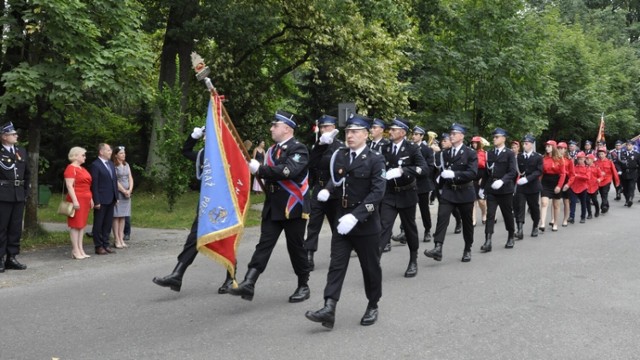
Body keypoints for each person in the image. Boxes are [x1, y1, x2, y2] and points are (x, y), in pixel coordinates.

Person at [305, 114, 385, 329]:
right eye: (348, 131)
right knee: (336, 265)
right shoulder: (340, 154)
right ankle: (329, 307)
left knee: (370, 268)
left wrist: (356, 216)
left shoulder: (375, 159)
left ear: (366, 134)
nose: (350, 135)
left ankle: (373, 304)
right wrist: (327, 189)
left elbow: (377, 193)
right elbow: (331, 174)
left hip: (365, 224)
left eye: (355, 131)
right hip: (342, 222)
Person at [229, 110, 312, 302]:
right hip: (273, 205)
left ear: (287, 128)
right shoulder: (273, 150)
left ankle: (303, 285)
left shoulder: (299, 149)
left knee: (296, 248)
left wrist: (261, 169)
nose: (271, 128)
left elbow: (287, 170)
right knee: (264, 245)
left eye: (275, 125)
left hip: (292, 207)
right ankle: (249, 283)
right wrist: (255, 169)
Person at [153, 126, 235, 293]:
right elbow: (185, 151)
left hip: (223, 203)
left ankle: (231, 278)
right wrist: (193, 136)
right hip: (206, 203)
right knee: (194, 238)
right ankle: (177, 275)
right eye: (204, 136)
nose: (205, 138)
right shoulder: (203, 154)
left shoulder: (225, 153)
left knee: (226, 240)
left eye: (207, 135)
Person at [379, 117, 427, 277]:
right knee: (384, 226)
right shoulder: (384, 147)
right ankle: (375, 262)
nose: (390, 132)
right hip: (389, 193)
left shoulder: (412, 148)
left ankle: (413, 259)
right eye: (390, 129)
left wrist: (403, 171)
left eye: (393, 130)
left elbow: (423, 168)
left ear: (402, 132)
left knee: (409, 228)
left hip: (407, 193)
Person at [424, 123, 478, 263]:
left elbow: (472, 173)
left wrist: (455, 174)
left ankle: (467, 248)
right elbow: (442, 172)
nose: (451, 136)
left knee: (467, 223)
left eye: (454, 134)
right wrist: (439, 187)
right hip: (449, 191)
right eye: (451, 134)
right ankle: (438, 248)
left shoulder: (470, 153)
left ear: (462, 136)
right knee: (442, 217)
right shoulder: (445, 153)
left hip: (465, 191)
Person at [305, 115, 343, 270]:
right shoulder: (318, 145)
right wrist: (320, 146)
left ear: (334, 128)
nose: (322, 130)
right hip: (318, 190)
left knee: (336, 225)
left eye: (326, 127)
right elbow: (311, 165)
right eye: (321, 127)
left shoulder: (340, 147)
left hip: (333, 192)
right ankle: (309, 254)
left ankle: (338, 254)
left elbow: (339, 171)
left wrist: (328, 189)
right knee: (313, 224)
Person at [480, 128, 517, 252]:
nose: (494, 139)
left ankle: (511, 235)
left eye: (497, 137)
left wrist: (502, 181)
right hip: (492, 188)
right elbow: (487, 172)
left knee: (507, 214)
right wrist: (482, 188)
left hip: (505, 189)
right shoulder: (489, 153)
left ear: (503, 139)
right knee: (490, 215)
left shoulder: (509, 153)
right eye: (494, 137)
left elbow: (512, 172)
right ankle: (488, 241)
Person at [0, 121, 30, 271]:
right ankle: (0, 258)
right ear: (4, 137)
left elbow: (27, 173)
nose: (16, 136)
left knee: (15, 228)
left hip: (18, 195)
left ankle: (11, 257)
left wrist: (25, 193)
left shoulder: (21, 151)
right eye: (12, 134)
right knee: (1, 227)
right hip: (3, 195)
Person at [64, 147, 93, 259]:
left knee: (82, 225)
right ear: (75, 155)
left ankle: (80, 249)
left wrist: (91, 199)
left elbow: (88, 185)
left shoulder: (83, 169)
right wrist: (75, 200)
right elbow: (69, 186)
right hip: (77, 198)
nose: (84, 157)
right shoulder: (71, 168)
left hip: (85, 198)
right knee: (75, 225)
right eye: (83, 155)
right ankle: (75, 250)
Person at [90, 143, 118, 255]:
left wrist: (116, 196)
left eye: (110, 150)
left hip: (111, 198)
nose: (110, 152)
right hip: (101, 199)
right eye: (108, 150)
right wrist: (96, 200)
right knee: (99, 223)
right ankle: (98, 245)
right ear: (101, 152)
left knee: (108, 223)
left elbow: (114, 181)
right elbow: (94, 184)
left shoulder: (111, 164)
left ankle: (106, 243)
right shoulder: (95, 165)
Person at [514, 134, 543, 239]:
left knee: (534, 207)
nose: (524, 146)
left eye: (526, 144)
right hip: (522, 187)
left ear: (531, 145)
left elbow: (539, 171)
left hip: (533, 186)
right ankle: (520, 230)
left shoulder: (538, 157)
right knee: (519, 207)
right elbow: (517, 171)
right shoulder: (520, 156)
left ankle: (535, 225)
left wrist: (527, 179)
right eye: (524, 144)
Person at [433, 133, 463, 233]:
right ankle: (439, 230)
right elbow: (437, 166)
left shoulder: (454, 153)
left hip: (451, 183)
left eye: (445, 141)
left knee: (454, 207)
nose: (442, 142)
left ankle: (459, 221)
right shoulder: (440, 154)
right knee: (441, 209)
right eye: (442, 141)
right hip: (440, 183)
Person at [412, 126, 435, 242]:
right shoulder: (409, 148)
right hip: (409, 184)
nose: (414, 136)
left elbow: (430, 167)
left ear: (421, 136)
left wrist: (419, 172)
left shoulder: (427, 150)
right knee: (408, 209)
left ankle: (427, 230)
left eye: (417, 134)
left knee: (424, 209)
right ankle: (404, 231)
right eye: (413, 134)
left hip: (422, 184)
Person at [539, 140, 565, 232]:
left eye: (549, 146)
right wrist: (539, 183)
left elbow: (563, 174)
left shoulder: (560, 158)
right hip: (545, 181)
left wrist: (559, 186)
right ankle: (542, 223)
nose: (547, 148)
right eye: (546, 146)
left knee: (556, 205)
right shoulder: (543, 158)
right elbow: (541, 173)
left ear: (553, 147)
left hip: (556, 181)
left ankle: (555, 223)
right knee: (544, 203)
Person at [110, 146, 133, 249]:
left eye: (124, 153)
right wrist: (123, 190)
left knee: (123, 216)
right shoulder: (113, 165)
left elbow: (130, 178)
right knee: (116, 216)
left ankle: (121, 238)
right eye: (121, 153)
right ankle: (116, 239)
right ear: (116, 155)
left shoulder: (126, 164)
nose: (124, 155)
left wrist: (130, 190)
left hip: (127, 194)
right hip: (118, 192)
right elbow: (115, 180)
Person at [595, 146, 619, 214]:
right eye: (599, 154)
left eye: (602, 154)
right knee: (602, 194)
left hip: (607, 180)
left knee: (605, 193)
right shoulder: (596, 162)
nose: (601, 155)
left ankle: (604, 206)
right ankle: (606, 206)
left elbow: (614, 171)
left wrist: (617, 181)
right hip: (599, 181)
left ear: (605, 154)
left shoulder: (609, 162)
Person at [470, 136, 487, 226]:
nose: (474, 144)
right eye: (473, 143)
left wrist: (483, 178)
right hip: (472, 178)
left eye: (476, 143)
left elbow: (487, 168)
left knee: (481, 201)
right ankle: (473, 219)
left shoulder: (484, 153)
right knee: (473, 200)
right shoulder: (470, 153)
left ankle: (484, 214)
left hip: (482, 178)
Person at [568, 152, 589, 223]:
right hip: (574, 187)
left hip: (583, 187)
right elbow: (571, 175)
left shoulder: (587, 168)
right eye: (578, 159)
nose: (580, 160)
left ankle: (583, 217)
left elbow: (587, 177)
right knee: (572, 202)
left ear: (584, 159)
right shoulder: (574, 167)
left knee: (583, 203)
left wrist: (577, 175)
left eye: (581, 159)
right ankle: (571, 217)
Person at [557, 142, 574, 226]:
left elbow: (572, 174)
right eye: (559, 148)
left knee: (566, 201)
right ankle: (554, 219)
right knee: (555, 200)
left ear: (565, 149)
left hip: (566, 180)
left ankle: (565, 219)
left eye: (562, 148)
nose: (560, 150)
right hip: (557, 180)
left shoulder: (569, 160)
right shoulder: (555, 158)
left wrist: (568, 184)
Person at [619, 140, 640, 207]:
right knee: (625, 188)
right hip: (624, 173)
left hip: (633, 173)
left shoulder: (636, 154)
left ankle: (630, 199)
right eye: (627, 145)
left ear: (633, 146)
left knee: (631, 187)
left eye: (629, 145)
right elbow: (618, 163)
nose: (628, 146)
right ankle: (627, 200)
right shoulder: (622, 154)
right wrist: (619, 170)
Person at [585, 154, 601, 218]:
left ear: (592, 160)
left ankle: (597, 210)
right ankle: (589, 213)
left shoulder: (596, 167)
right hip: (586, 186)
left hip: (594, 186)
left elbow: (601, 176)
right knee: (587, 200)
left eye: (588, 159)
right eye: (586, 159)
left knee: (594, 200)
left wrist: (599, 179)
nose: (586, 160)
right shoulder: (585, 167)